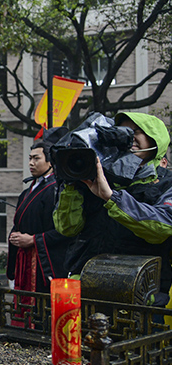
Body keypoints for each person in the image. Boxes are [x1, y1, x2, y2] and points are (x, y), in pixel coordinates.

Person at [54, 113, 172, 309]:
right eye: (121, 131)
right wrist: (72, 183)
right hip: (87, 288)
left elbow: (162, 226)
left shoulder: (167, 182)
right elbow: (67, 228)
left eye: (135, 132)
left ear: (156, 138)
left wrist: (111, 197)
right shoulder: (98, 175)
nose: (128, 137)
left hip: (141, 295)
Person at [8, 142, 69, 295]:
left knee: (40, 307)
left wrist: (33, 240)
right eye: (30, 158)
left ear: (50, 161)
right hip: (25, 260)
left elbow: (65, 231)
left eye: (36, 158)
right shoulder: (29, 190)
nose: (31, 163)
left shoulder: (58, 189)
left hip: (42, 261)